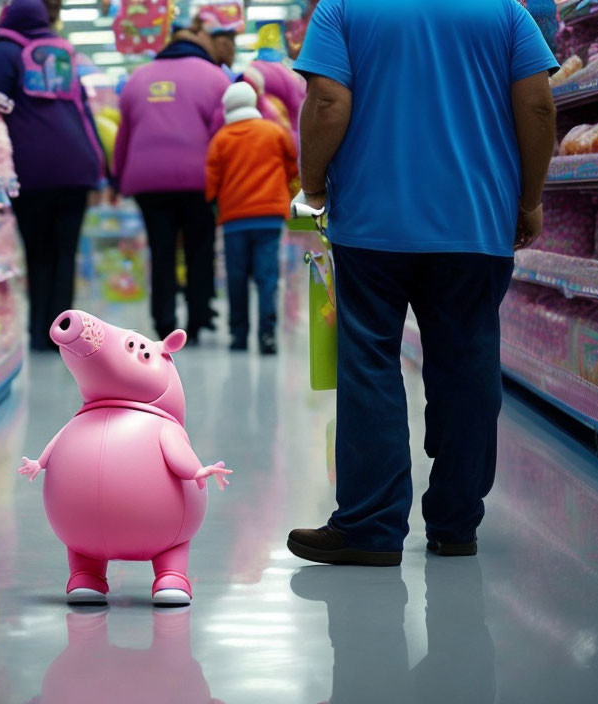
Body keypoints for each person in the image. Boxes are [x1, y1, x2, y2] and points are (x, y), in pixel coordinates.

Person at [286, 0, 558, 565]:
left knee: (369, 362)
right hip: (476, 225)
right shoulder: (506, 13)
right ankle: (457, 523)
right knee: (468, 362)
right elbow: (536, 107)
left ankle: (371, 525)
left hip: (372, 224)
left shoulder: (343, 9)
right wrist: (528, 201)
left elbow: (329, 101)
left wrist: (312, 187)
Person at [0, 0, 105, 351]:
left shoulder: (2, 50)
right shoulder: (64, 51)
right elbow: (85, 113)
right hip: (77, 165)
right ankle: (63, 334)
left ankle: (39, 333)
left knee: (37, 252)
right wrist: (99, 168)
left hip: (32, 167)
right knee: (65, 252)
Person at [114, 25, 230, 342]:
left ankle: (164, 322)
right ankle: (196, 320)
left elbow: (124, 135)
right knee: (199, 250)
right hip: (198, 180)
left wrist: (117, 177)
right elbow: (222, 135)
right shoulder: (214, 77)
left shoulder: (138, 78)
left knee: (161, 252)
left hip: (147, 181)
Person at [206, 83, 298, 354]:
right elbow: (292, 165)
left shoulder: (221, 139)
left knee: (236, 278)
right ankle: (267, 335)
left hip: (235, 220)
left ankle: (238, 335)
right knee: (267, 278)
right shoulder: (274, 132)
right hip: (269, 218)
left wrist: (216, 202)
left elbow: (212, 182)